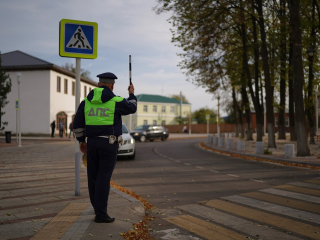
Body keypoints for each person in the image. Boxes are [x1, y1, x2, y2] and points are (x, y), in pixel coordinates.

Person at [73, 72, 137, 223]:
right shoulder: (116, 100)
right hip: (108, 144)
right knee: (103, 178)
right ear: (112, 86)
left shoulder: (86, 102)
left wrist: (82, 141)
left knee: (93, 177)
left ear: (98, 85)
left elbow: (77, 124)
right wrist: (132, 94)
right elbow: (132, 108)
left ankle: (97, 209)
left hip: (92, 144)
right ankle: (101, 214)